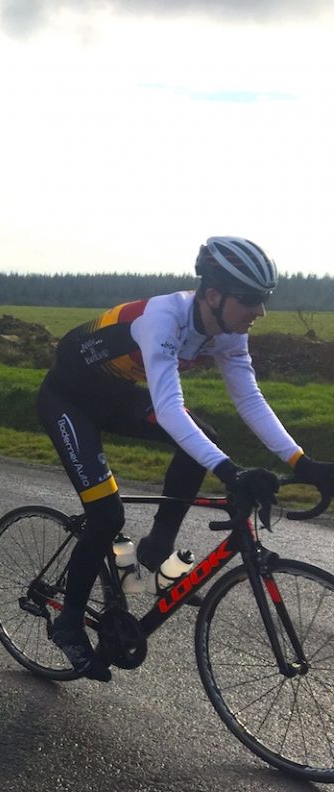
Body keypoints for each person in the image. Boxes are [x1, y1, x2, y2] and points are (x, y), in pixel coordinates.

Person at [38, 236, 334, 682]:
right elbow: (171, 409)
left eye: (265, 300)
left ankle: (156, 548)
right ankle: (68, 623)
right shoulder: (163, 319)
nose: (261, 312)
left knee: (205, 438)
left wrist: (301, 461)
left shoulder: (227, 331)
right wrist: (230, 471)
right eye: (252, 300)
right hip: (68, 400)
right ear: (213, 296)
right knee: (105, 513)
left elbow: (249, 399)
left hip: (115, 395)